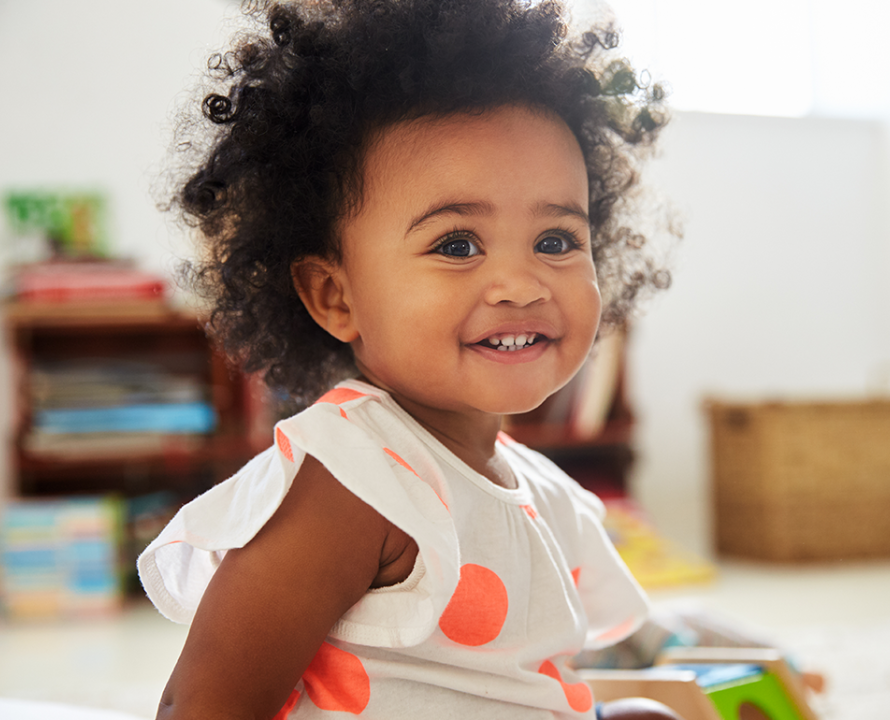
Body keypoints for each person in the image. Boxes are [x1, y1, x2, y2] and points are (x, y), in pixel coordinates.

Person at [138, 1, 679, 718]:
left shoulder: (541, 491)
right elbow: (205, 706)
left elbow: (523, 684)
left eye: (556, 241)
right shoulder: (353, 480)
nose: (522, 284)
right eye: (457, 244)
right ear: (335, 295)